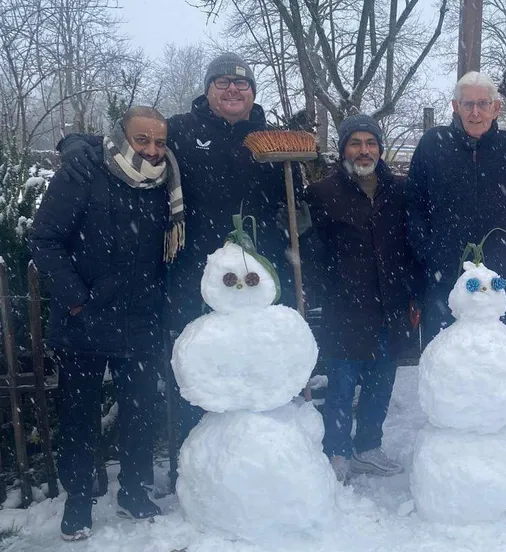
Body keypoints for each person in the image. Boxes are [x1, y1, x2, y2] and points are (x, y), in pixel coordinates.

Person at [57, 53, 307, 451]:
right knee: (199, 368)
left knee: (259, 362)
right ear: (207, 90)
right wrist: (75, 146)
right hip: (192, 271)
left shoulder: (272, 140)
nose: (232, 90)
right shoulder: (180, 131)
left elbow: (296, 200)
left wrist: (300, 215)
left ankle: (265, 455)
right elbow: (126, 142)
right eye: (222, 82)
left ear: (253, 93)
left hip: (260, 277)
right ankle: (193, 462)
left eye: (241, 84)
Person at [29, 107, 177, 540]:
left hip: (142, 318)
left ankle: (134, 491)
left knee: (141, 413)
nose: (152, 149)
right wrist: (77, 299)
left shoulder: (166, 182)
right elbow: (44, 238)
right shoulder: (83, 174)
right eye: (142, 139)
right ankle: (77, 502)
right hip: (87, 321)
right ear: (121, 138)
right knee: (79, 418)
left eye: (160, 142)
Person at [305, 115, 419, 482]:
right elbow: (313, 254)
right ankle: (337, 451)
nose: (364, 150)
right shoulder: (323, 193)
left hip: (391, 304)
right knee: (341, 385)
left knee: (380, 384)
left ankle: (368, 446)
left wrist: (412, 289)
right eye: (355, 143)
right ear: (343, 150)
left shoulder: (401, 191)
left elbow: (413, 243)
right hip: (346, 307)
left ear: (381, 149)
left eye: (371, 143)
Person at [405, 71, 506, 344]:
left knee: (493, 357)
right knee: (443, 355)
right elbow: (414, 204)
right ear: (455, 106)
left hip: (495, 277)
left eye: (483, 104)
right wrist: (427, 249)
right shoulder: (432, 145)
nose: (475, 112)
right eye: (467, 104)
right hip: (443, 275)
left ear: (496, 108)